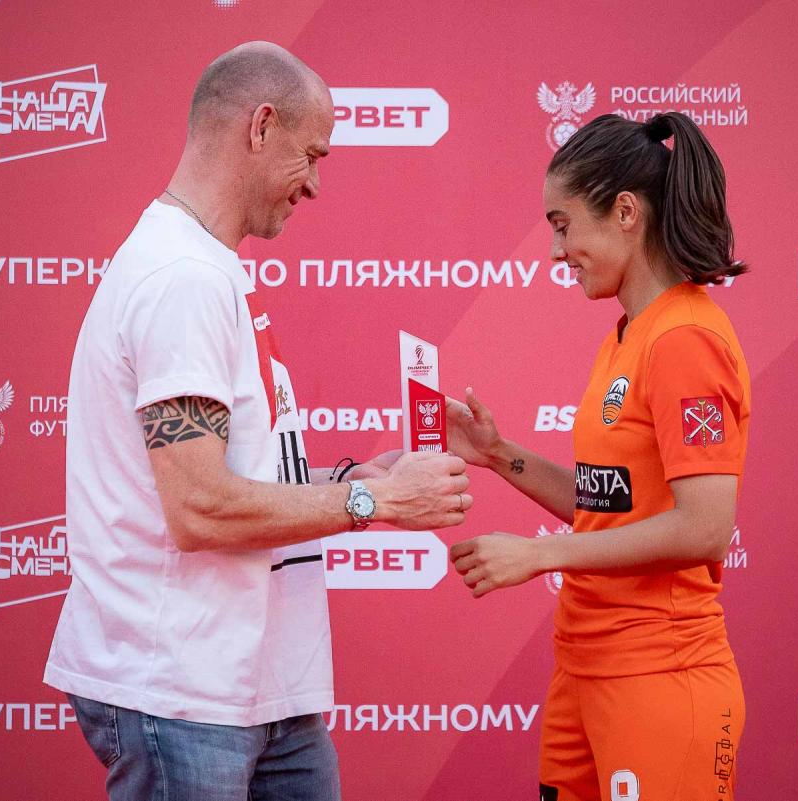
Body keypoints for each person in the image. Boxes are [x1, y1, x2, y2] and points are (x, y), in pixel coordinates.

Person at [43, 41, 472, 801]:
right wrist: (373, 501)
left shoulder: (206, 265)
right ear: (261, 125)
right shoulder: (182, 277)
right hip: (182, 690)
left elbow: (238, 473)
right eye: (312, 155)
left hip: (259, 685)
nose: (315, 185)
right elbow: (200, 506)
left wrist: (355, 477)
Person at [448, 112, 750, 801]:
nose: (557, 251)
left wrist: (541, 554)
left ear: (625, 212)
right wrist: (498, 454)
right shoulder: (628, 333)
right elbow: (610, 503)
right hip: (585, 667)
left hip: (661, 677)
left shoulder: (685, 339)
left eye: (563, 225)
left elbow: (706, 527)